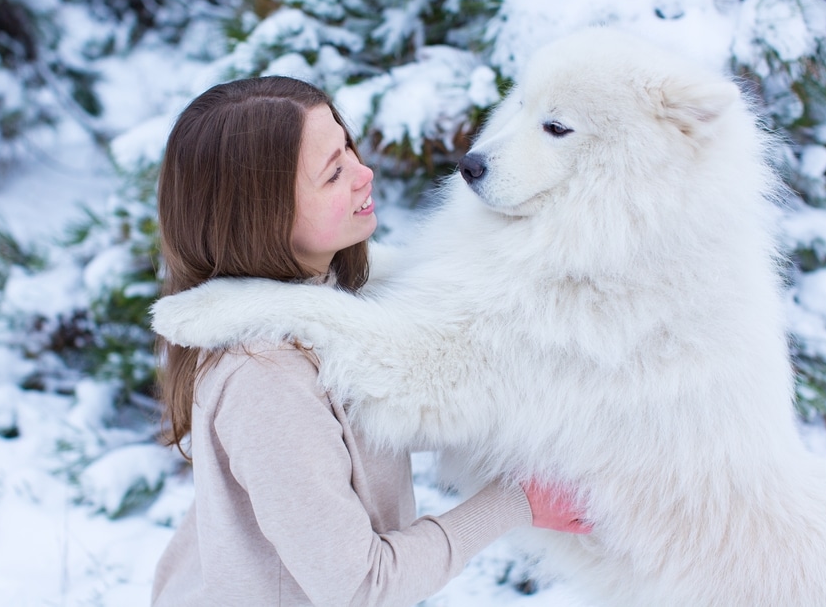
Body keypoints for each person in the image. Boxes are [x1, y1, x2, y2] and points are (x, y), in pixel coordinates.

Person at [150, 76, 591, 607]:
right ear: (262, 214)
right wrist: (514, 502)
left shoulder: (328, 304)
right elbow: (362, 587)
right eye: (333, 173)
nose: (365, 174)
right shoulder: (264, 378)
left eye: (349, 149)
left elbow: (387, 419)